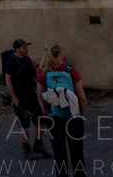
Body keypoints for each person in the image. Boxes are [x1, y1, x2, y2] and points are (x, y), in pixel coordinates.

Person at [36, 42, 87, 177]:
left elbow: (40, 97)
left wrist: (46, 114)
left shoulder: (42, 71)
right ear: (61, 53)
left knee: (59, 154)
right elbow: (82, 97)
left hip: (53, 117)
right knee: (77, 154)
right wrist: (81, 114)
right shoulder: (70, 70)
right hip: (73, 117)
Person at [4, 38, 52, 159]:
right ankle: (26, 149)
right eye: (24, 47)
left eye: (27, 47)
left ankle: (38, 145)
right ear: (17, 49)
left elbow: (36, 76)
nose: (27, 49)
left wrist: (34, 66)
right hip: (19, 95)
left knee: (41, 118)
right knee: (24, 122)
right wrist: (14, 97)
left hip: (31, 93)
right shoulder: (11, 61)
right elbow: (8, 79)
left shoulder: (28, 59)